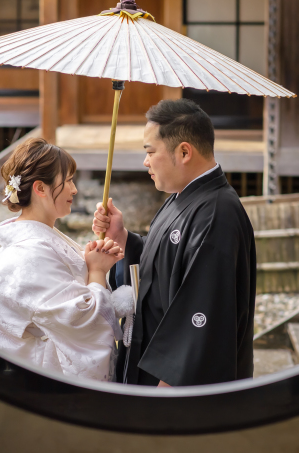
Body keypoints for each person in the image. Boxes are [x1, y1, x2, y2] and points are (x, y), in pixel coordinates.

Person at [93, 99, 257, 387]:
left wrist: (167, 394)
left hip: (171, 386)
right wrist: (124, 239)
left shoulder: (217, 215)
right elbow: (166, 263)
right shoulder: (184, 196)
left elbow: (203, 314)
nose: (145, 161)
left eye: (150, 151)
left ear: (183, 152)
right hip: (150, 363)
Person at [0, 138, 134, 382]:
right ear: (40, 188)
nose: (74, 190)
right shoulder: (30, 255)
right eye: (67, 181)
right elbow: (85, 323)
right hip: (43, 383)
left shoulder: (40, 243)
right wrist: (96, 271)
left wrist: (92, 262)